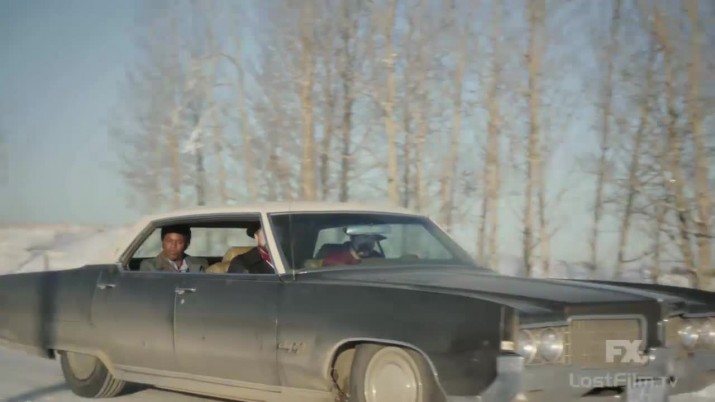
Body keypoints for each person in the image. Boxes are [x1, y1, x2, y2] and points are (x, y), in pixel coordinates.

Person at [139, 225, 208, 272]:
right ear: (162, 242)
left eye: (179, 242)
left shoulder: (200, 264)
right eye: (169, 241)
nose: (173, 246)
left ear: (187, 244)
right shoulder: (149, 266)